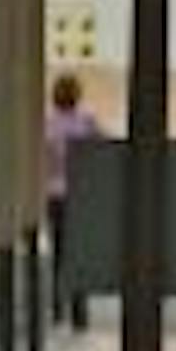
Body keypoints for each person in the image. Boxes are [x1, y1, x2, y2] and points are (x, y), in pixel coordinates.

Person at [44, 73, 103, 330]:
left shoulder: (47, 123)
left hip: (54, 195)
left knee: (59, 254)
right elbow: (102, 147)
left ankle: (57, 310)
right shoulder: (87, 121)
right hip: (80, 196)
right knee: (79, 254)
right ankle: (80, 315)